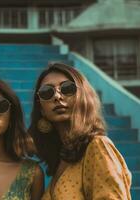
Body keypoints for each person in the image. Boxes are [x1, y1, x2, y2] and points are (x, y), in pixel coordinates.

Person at [28, 63, 132, 199]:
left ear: (83, 97)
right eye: (47, 92)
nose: (57, 96)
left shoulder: (97, 146)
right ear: (41, 108)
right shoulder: (62, 158)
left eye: (67, 88)